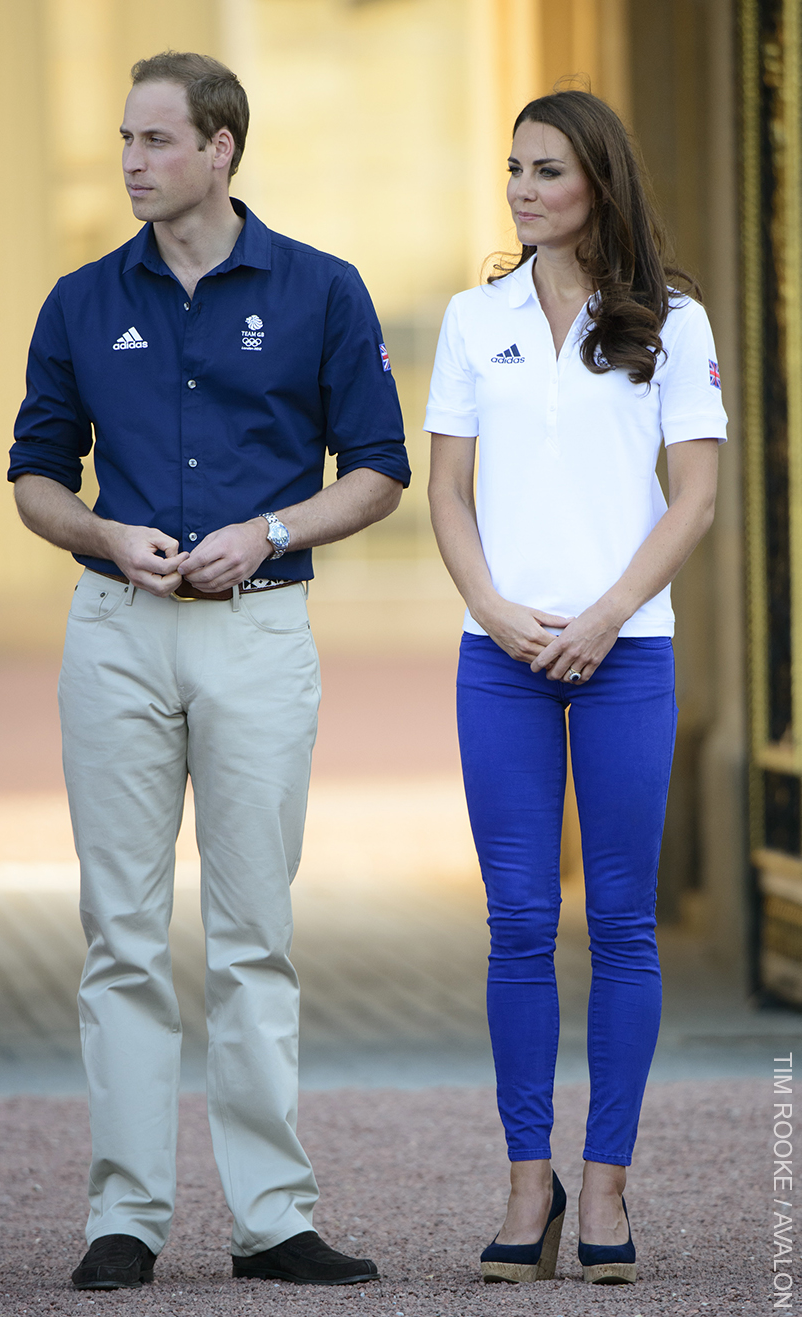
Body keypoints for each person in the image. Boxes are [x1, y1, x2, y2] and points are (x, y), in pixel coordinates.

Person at [8, 51, 410, 1291]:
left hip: (259, 631)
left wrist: (273, 530)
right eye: (125, 141)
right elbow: (32, 477)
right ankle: (123, 1217)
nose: (131, 162)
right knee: (118, 934)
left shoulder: (321, 291)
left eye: (154, 141)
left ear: (222, 148)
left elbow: (378, 470)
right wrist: (100, 532)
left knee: (253, 936)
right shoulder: (79, 300)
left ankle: (273, 1219)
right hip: (116, 630)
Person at [426, 89, 726, 1286]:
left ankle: (603, 1188)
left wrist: (603, 619)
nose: (521, 188)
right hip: (496, 661)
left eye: (544, 169)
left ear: (597, 179)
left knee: (620, 925)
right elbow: (447, 492)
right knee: (515, 925)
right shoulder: (470, 316)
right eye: (512, 169)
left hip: (626, 658)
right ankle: (524, 1183)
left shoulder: (675, 322)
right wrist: (498, 612)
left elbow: (694, 497)